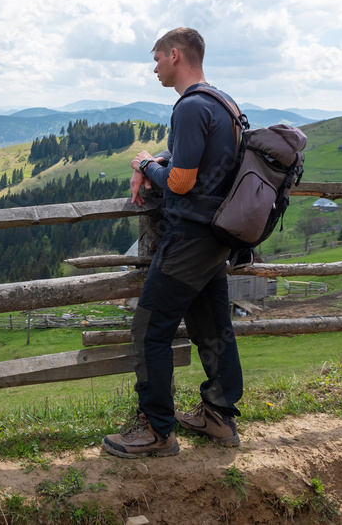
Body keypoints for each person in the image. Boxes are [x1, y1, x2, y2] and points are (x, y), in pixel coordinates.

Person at [102, 27, 244, 458]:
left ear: (176, 55)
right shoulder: (223, 104)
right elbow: (197, 162)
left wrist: (146, 163)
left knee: (150, 330)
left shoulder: (188, 108)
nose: (155, 67)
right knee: (212, 327)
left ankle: (156, 430)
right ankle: (219, 416)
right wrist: (159, 160)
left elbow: (182, 182)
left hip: (190, 240)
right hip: (217, 236)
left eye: (158, 58)